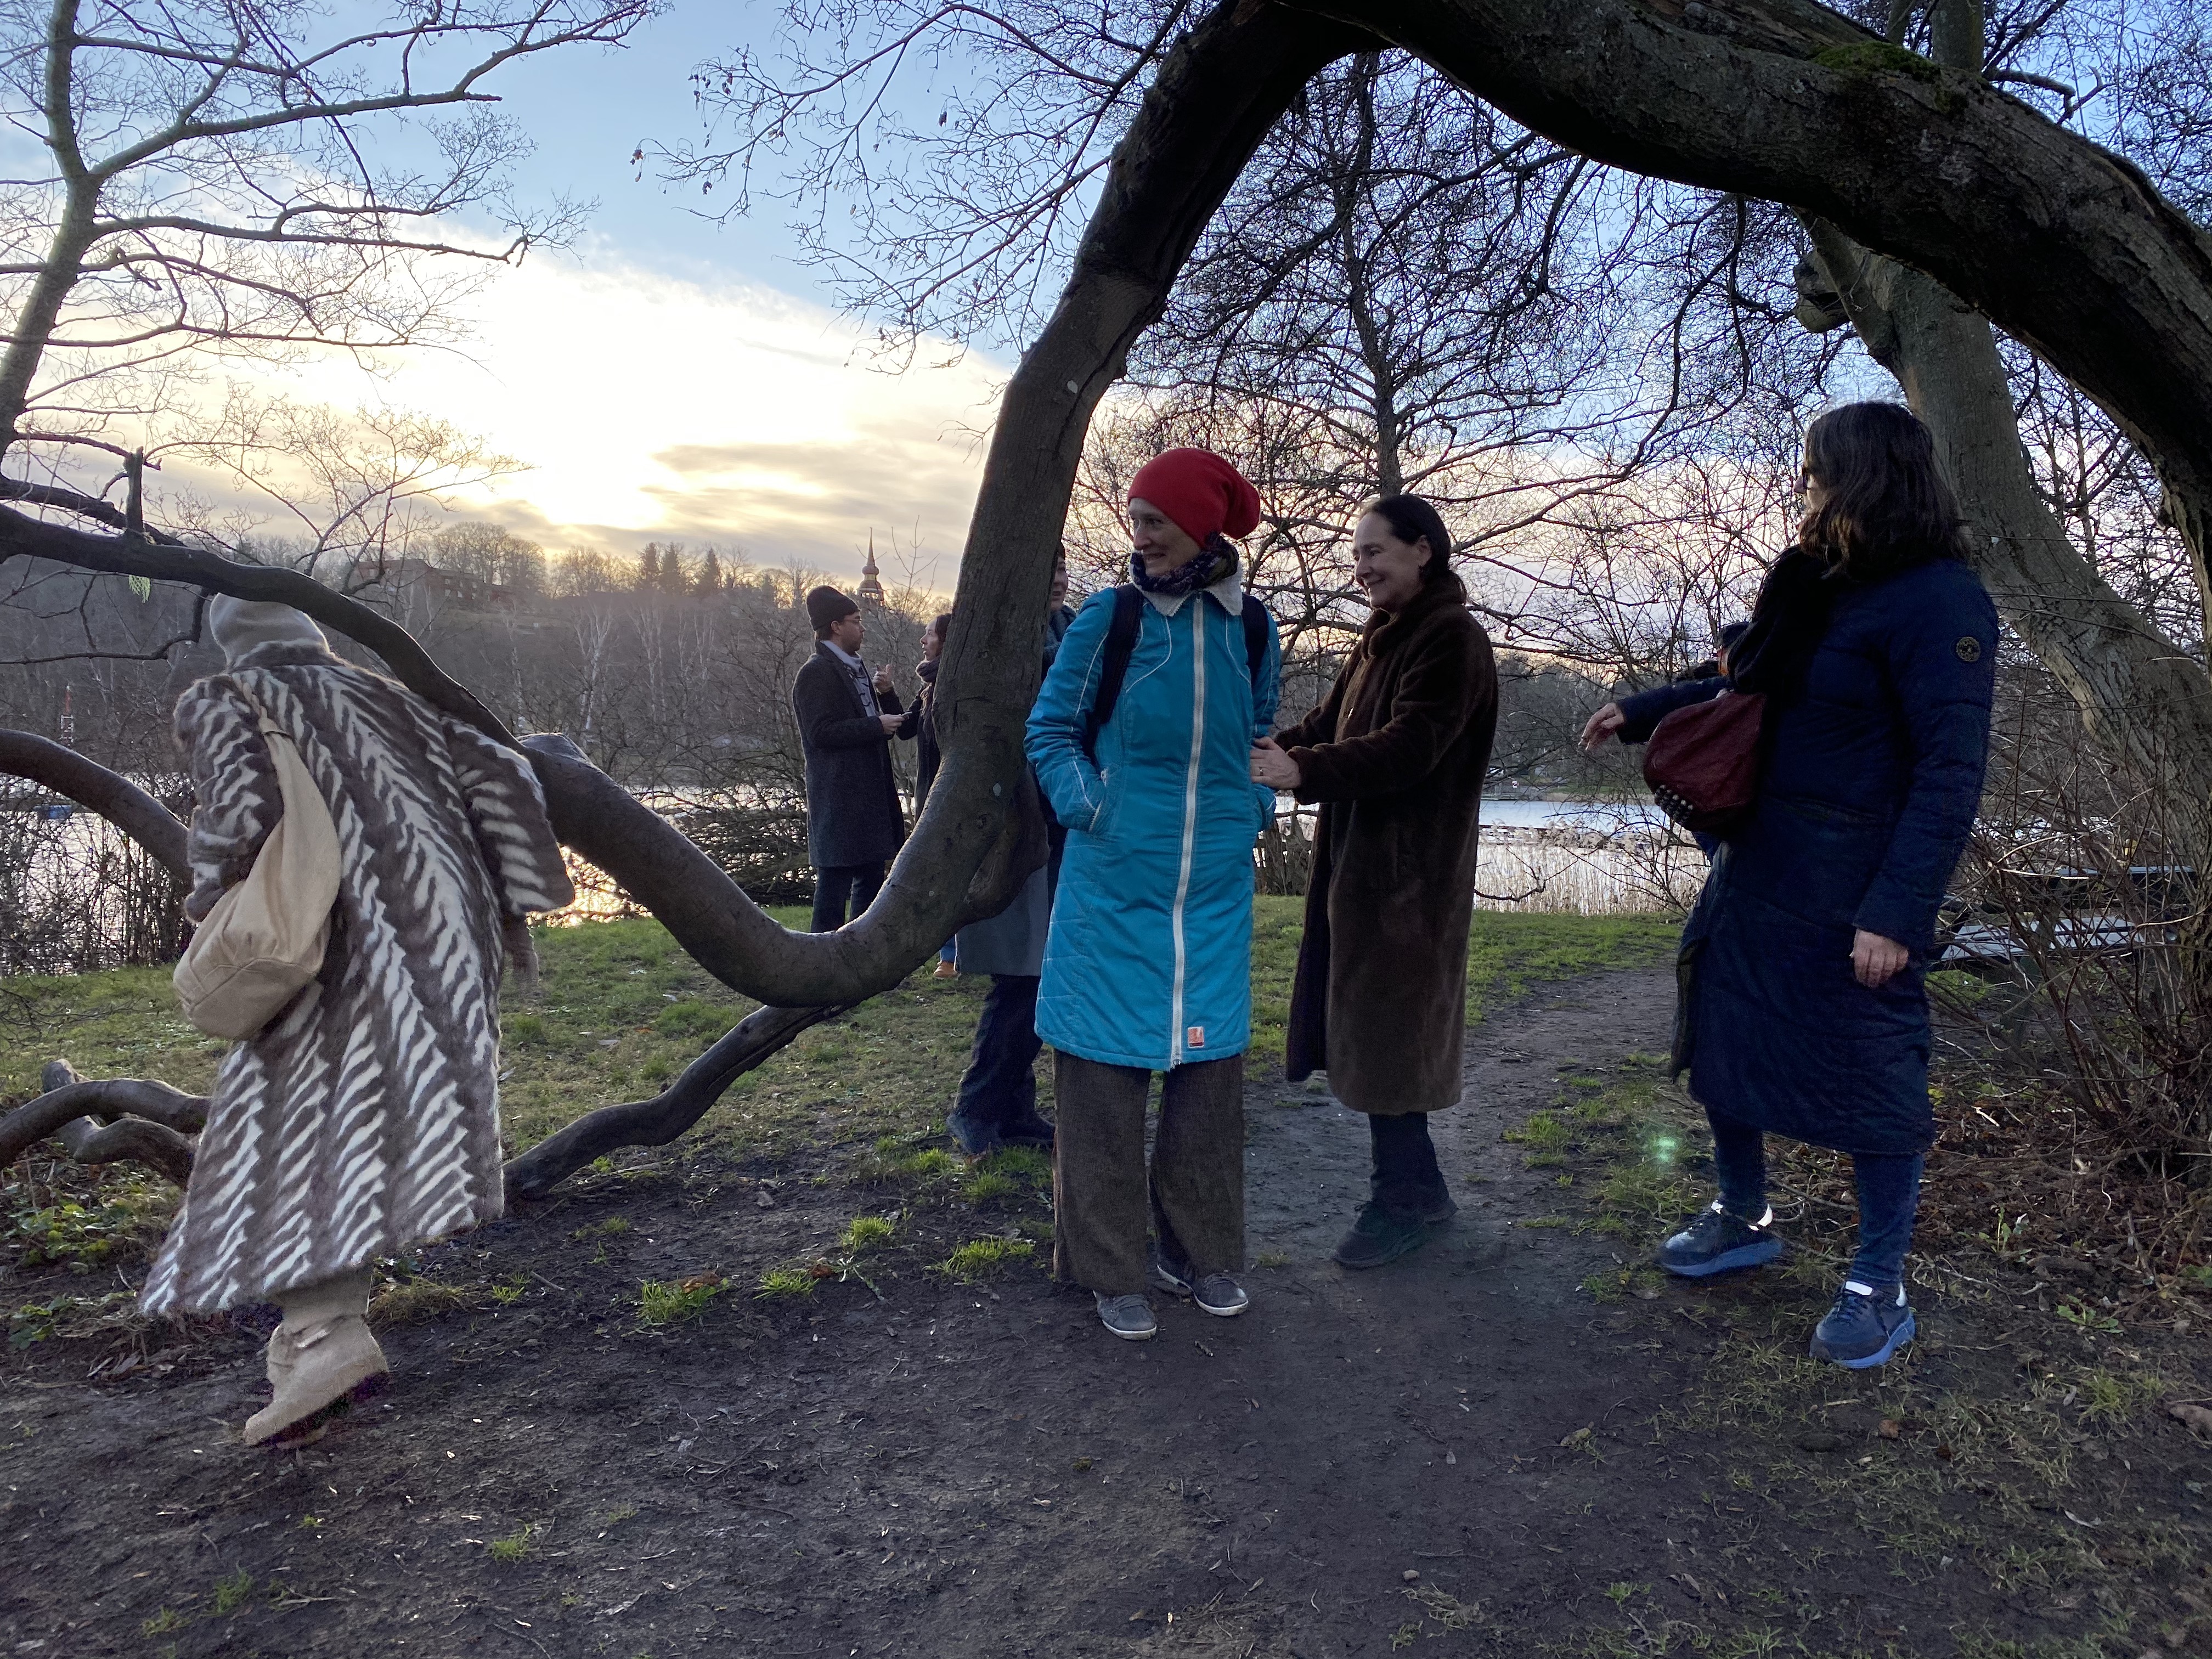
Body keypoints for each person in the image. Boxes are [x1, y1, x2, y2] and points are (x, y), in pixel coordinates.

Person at [1581, 402, 1996, 1368]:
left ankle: (1876, 1279)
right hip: (1761, 862)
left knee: (1872, 1070)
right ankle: (1742, 1210)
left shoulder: (1941, 601)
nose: (1802, 486)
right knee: (1726, 1031)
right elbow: (1747, 688)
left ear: (1864, 476)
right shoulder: (1818, 585)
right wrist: (1639, 709)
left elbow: (1949, 774)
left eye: (1814, 469)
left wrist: (1897, 911)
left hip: (1853, 886)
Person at [142, 597, 574, 1445]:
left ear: (237, 643)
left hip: (342, 942)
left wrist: (211, 909)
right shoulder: (389, 695)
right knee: (361, 1120)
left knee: (281, 1130)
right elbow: (505, 771)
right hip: (445, 940)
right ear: (311, 633)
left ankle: (319, 1338)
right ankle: (318, 1338)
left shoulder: (236, 697)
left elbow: (236, 823)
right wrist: (513, 899)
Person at [1029, 448, 1281, 1341]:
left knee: (1207, 1084)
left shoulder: (1252, 626)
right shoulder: (1112, 619)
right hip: (1112, 888)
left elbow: (1257, 733)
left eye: (1156, 521)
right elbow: (1050, 731)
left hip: (1211, 893)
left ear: (1201, 526)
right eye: (1135, 521)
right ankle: (1109, 1265)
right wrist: (1091, 808)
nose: (1140, 537)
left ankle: (1197, 1251)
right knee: (1100, 1079)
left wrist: (1249, 807)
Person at [1251, 495, 1498, 1268]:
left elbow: (1410, 746)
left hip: (1410, 883)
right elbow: (1332, 721)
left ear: (1422, 550)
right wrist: (1265, 748)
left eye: (1373, 552)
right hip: (1364, 873)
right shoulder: (1384, 636)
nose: (1359, 568)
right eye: (1355, 555)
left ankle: (1404, 1201)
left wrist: (1305, 771)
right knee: (1375, 1031)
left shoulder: (1451, 639)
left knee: (1393, 1038)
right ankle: (1416, 1191)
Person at [793, 585, 909, 932]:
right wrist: (875, 726)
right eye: (856, 621)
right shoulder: (816, 672)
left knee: (871, 878)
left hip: (868, 798)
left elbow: (894, 727)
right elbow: (822, 733)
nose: (863, 629)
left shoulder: (851, 669)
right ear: (835, 626)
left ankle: (862, 959)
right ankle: (819, 969)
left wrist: (885, 696)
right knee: (835, 884)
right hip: (840, 798)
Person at [904, 611, 959, 977]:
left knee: (948, 876)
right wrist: (888, 694)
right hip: (928, 794)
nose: (923, 641)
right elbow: (906, 729)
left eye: (929, 634)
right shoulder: (929, 686)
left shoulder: (955, 685)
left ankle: (951, 957)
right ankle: (948, 954)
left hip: (951, 797)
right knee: (938, 876)